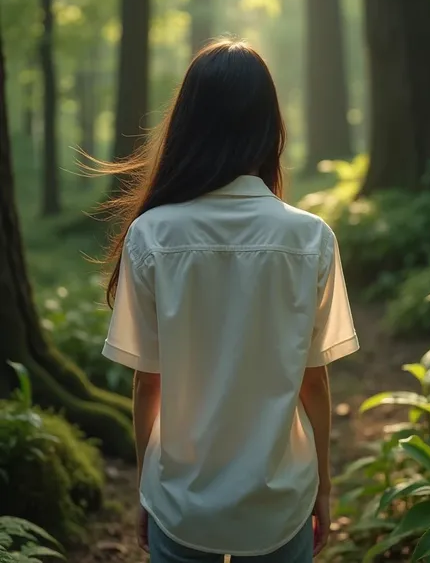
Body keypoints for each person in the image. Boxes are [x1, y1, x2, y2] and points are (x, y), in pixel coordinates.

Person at [101, 39, 359, 563]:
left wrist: (148, 490)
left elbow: (148, 381)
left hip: (182, 501)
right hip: (279, 500)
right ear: (271, 130)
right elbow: (313, 379)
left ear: (187, 125)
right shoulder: (312, 240)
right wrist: (324, 488)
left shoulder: (151, 236)